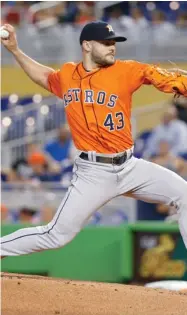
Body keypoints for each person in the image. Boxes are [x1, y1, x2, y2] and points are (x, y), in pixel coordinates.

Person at [1, 21, 187, 258]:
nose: (112, 47)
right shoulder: (68, 74)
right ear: (87, 45)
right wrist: (15, 50)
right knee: (56, 235)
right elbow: (45, 77)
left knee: (184, 195)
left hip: (129, 166)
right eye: (106, 43)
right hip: (92, 173)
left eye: (114, 43)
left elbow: (160, 77)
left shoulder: (126, 70)